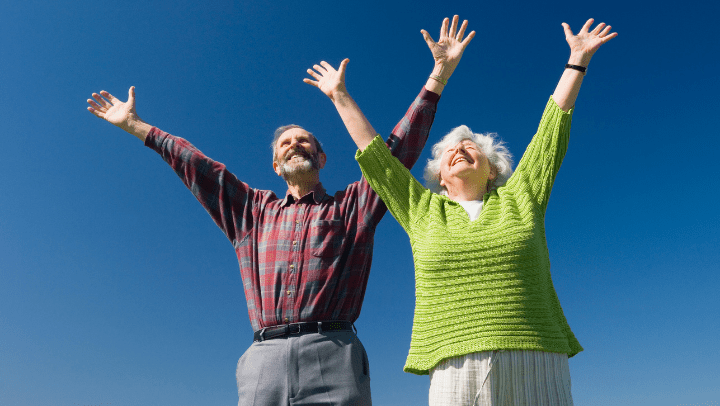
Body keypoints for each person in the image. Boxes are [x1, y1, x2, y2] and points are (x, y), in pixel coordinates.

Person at [86, 15, 475, 406]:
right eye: (286, 143)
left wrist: (436, 78)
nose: (295, 145)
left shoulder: (353, 207)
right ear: (275, 165)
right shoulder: (252, 212)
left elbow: (393, 153)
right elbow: (198, 166)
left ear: (322, 158)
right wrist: (139, 127)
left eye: (305, 142)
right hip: (263, 363)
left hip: (333, 353)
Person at [329, 18, 617, 405]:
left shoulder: (521, 196)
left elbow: (551, 131)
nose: (460, 149)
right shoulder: (421, 209)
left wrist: (577, 60)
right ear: (440, 177)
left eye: (471, 146)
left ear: (493, 169)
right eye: (450, 150)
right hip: (453, 363)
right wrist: (339, 95)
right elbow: (377, 159)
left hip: (536, 354)